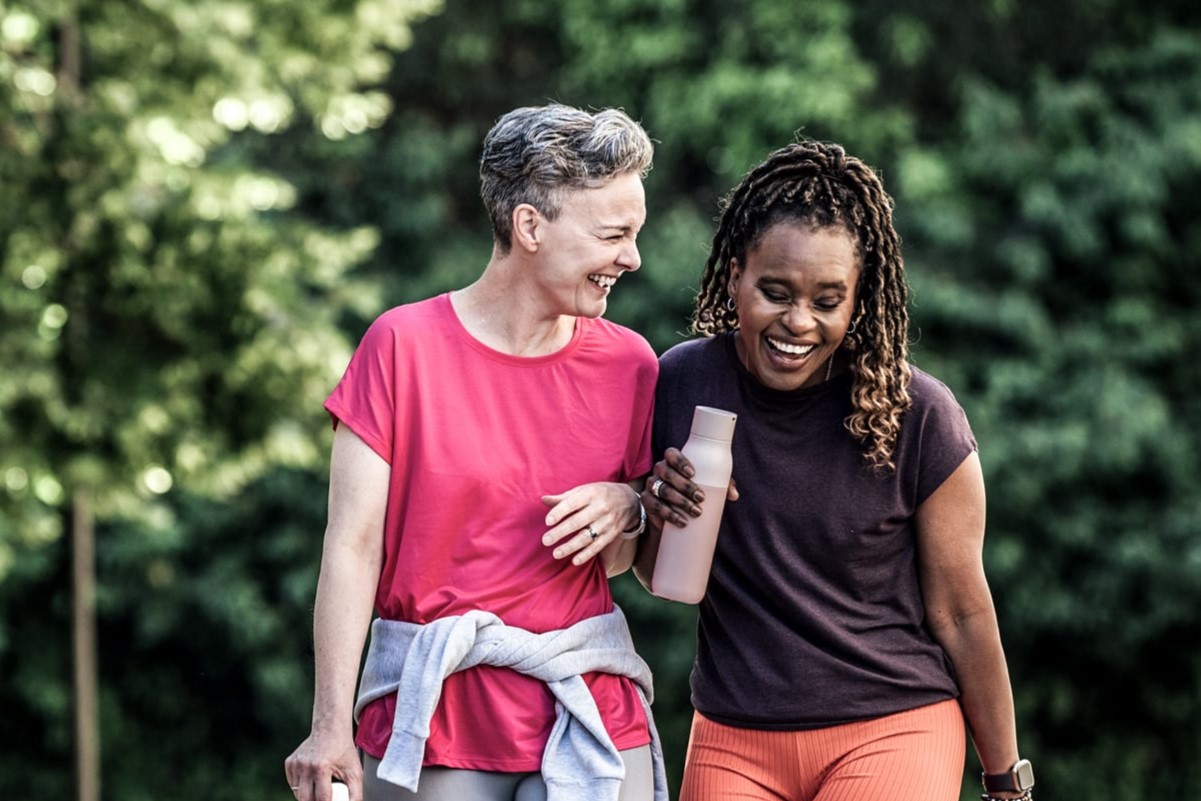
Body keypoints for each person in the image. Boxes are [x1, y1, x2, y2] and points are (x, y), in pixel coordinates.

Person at [285, 103, 668, 801]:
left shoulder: (632, 365)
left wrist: (632, 506)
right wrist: (328, 723)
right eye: (613, 234)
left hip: (588, 709)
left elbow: (622, 562)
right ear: (529, 226)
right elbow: (352, 544)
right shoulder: (401, 347)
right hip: (436, 716)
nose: (632, 258)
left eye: (633, 234)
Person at [633, 140, 1033, 801]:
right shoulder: (680, 381)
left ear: (856, 302)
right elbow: (658, 576)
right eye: (774, 292)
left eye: (826, 300)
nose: (797, 321)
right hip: (733, 731)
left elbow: (962, 612)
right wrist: (657, 509)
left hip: (892, 723)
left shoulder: (919, 415)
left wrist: (1004, 778)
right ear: (734, 276)